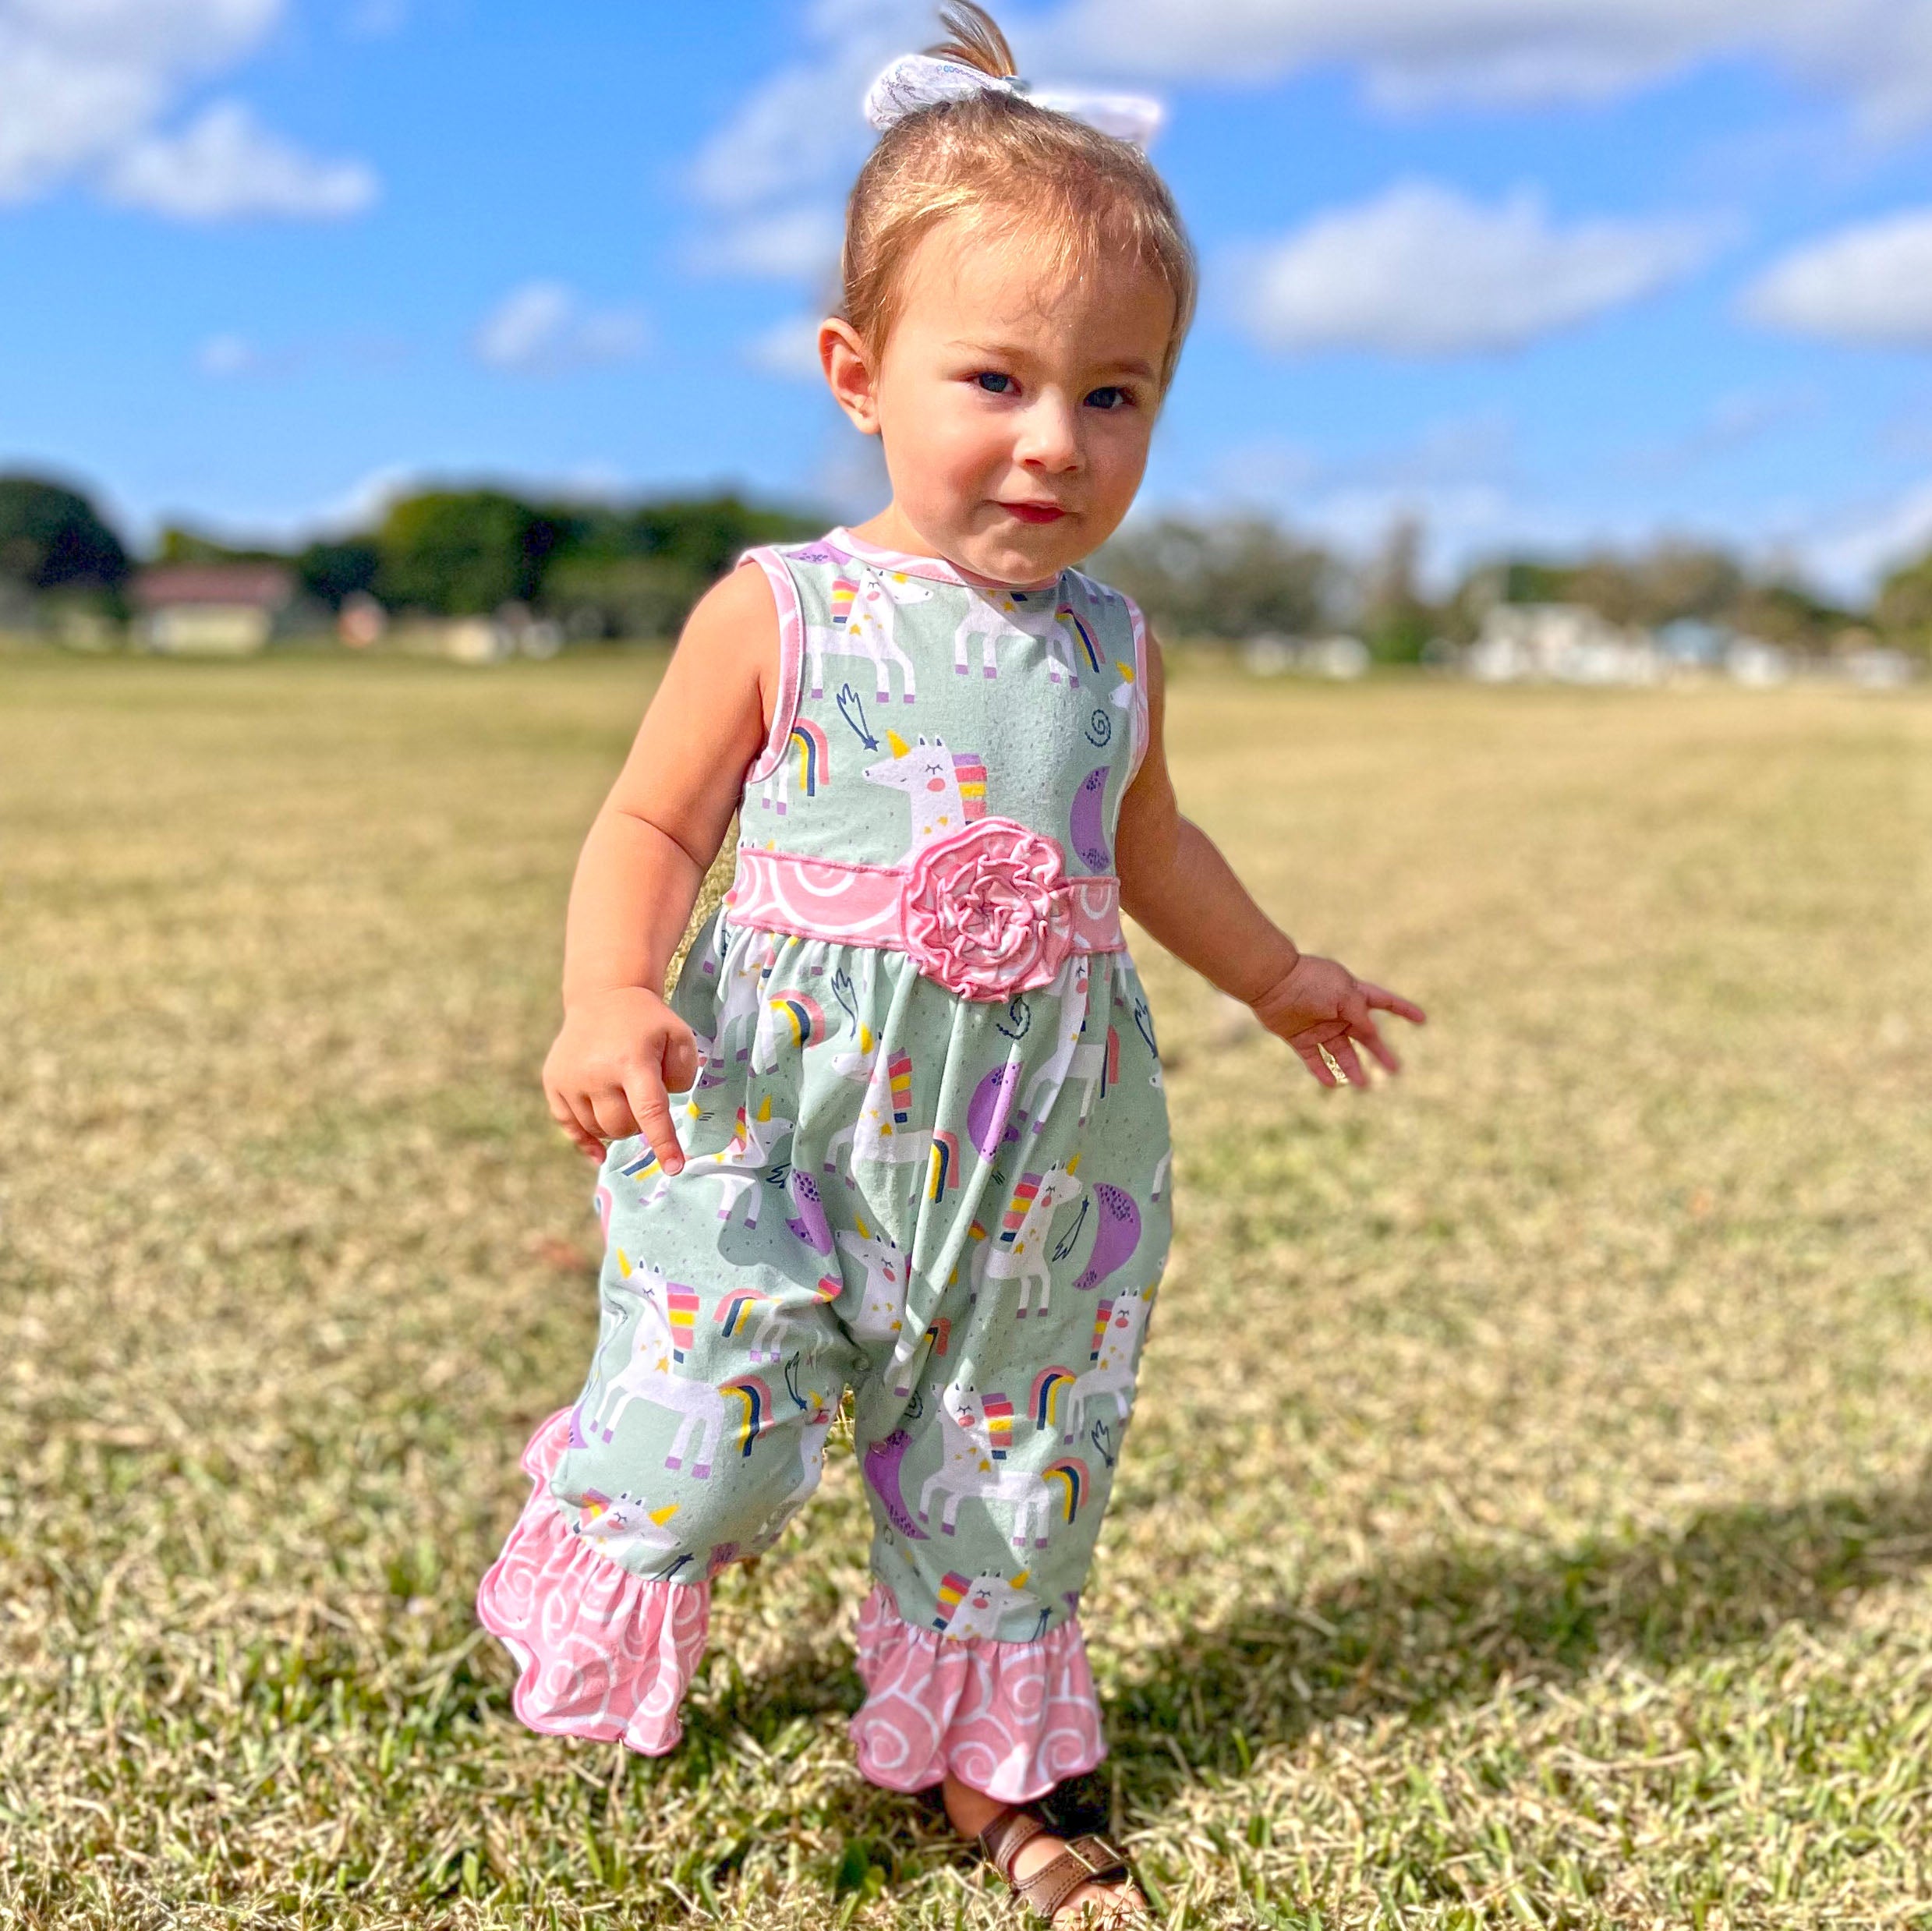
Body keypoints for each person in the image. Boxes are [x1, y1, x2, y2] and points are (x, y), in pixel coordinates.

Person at [476, 8, 1425, 1921]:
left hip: (1039, 1137)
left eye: (1116, 395)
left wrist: (1273, 973)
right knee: (712, 1436)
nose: (1056, 441)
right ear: (859, 373)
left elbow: (1149, 845)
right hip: (777, 1108)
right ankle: (597, 1540)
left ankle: (993, 1759)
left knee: (1015, 1441)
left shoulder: (1117, 647)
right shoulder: (784, 609)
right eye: (996, 379)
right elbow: (651, 822)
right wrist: (609, 991)